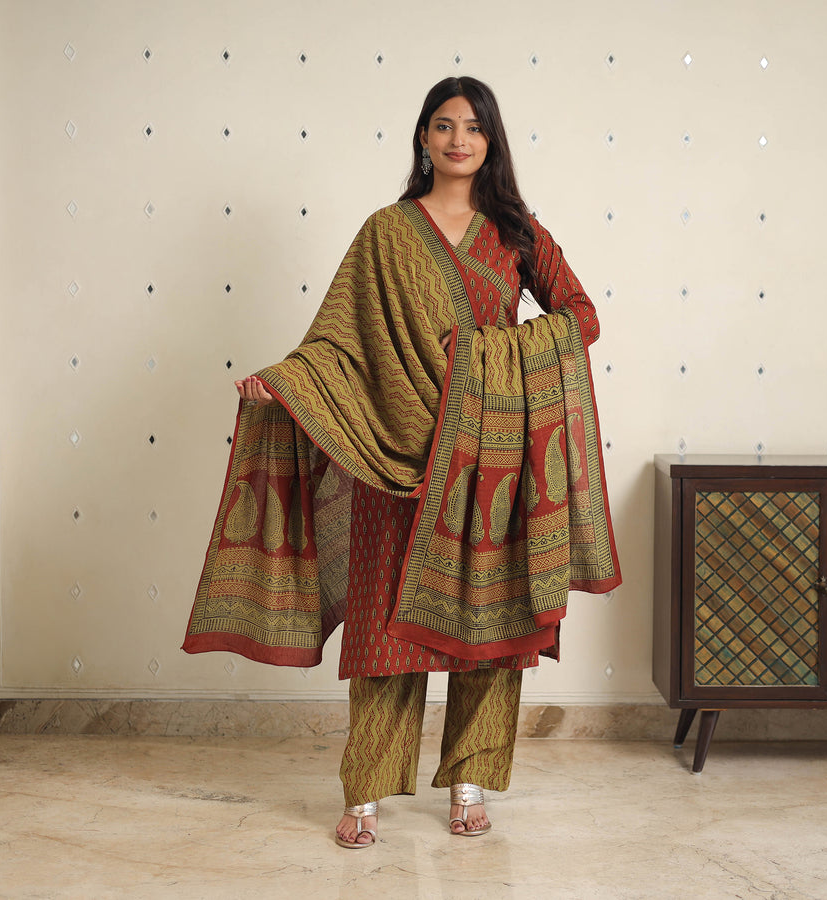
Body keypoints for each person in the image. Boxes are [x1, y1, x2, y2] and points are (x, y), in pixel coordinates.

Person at [183, 76, 620, 848]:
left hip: (490, 458)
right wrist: (283, 384)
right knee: (385, 633)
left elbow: (580, 318)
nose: (459, 139)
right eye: (444, 125)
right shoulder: (386, 233)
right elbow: (336, 339)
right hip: (394, 451)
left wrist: (494, 356)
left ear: (491, 141)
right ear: (423, 137)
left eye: (474, 127)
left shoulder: (516, 231)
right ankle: (366, 791)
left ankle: (470, 781)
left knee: (492, 628)